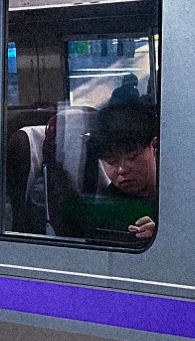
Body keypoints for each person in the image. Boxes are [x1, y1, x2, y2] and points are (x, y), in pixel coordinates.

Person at [62, 97, 157, 242]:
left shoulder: (184, 192)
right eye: (110, 161)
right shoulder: (106, 210)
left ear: (154, 147)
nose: (121, 170)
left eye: (132, 157)